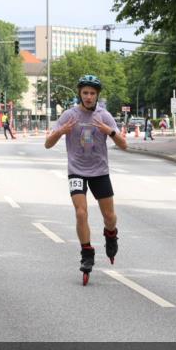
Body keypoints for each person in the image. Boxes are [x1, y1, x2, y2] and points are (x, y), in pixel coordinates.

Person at [44, 75, 127, 284]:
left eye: (92, 93)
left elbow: (124, 145)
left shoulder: (104, 116)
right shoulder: (69, 115)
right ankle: (87, 253)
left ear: (97, 95)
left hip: (100, 171)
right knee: (81, 213)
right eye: (85, 93)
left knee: (110, 216)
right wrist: (61, 131)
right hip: (77, 171)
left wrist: (110, 132)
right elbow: (47, 144)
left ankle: (111, 234)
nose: (89, 97)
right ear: (79, 94)